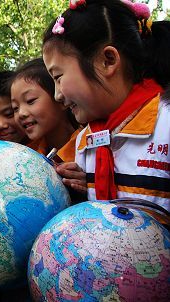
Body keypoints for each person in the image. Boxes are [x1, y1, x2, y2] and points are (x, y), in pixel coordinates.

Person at [42, 0, 170, 210]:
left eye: (58, 77)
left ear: (108, 61)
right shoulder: (85, 140)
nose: (57, 95)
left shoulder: (165, 124)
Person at [10, 58, 79, 160]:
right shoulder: (26, 157)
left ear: (60, 98)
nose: (21, 113)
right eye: (15, 108)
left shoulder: (90, 145)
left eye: (30, 101)